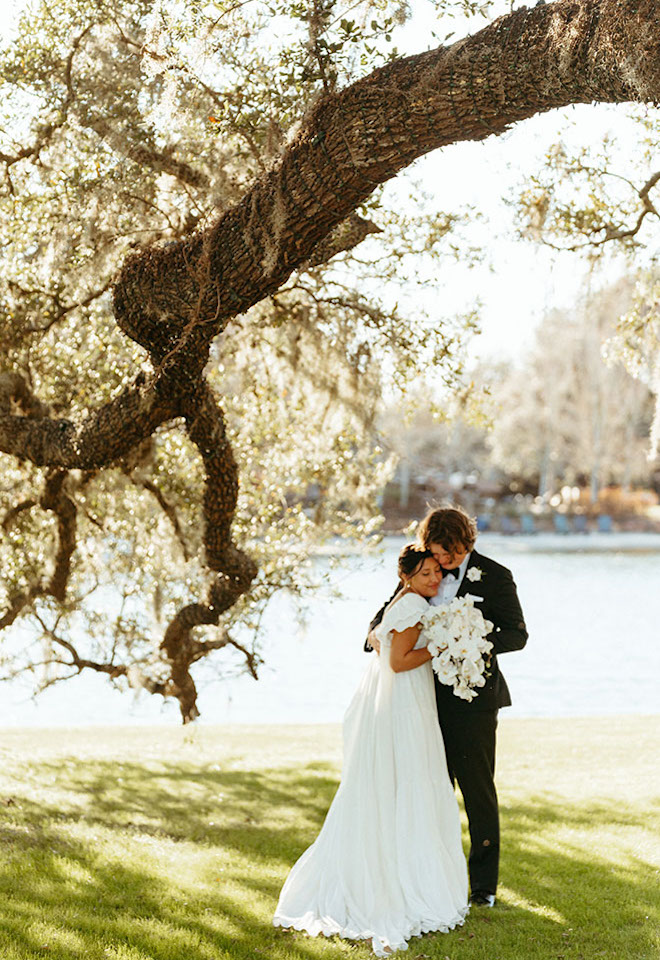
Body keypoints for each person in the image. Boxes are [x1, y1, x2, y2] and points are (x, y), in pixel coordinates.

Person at [274, 545, 469, 957]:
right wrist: (442, 646)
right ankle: (406, 883)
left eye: (436, 572)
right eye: (426, 574)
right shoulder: (414, 605)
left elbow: (377, 644)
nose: (434, 579)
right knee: (413, 778)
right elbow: (399, 662)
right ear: (408, 578)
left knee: (389, 783)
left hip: (390, 702)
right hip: (405, 705)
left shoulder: (400, 602)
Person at [367, 506, 528, 908]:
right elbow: (381, 620)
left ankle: (484, 888)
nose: (442, 564)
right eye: (438, 554)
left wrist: (471, 640)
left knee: (478, 793)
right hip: (421, 702)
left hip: (473, 702)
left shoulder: (496, 576)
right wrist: (374, 636)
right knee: (431, 793)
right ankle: (432, 880)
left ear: (467, 543)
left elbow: (518, 635)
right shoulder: (423, 571)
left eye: (451, 555)